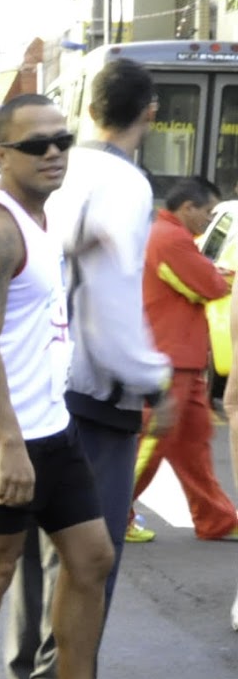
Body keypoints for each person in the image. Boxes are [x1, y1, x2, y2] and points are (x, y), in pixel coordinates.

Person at [0, 93, 163, 679]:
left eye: (61, 140)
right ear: (0, 154)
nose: (53, 153)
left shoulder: (43, 216)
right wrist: (8, 441)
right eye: (35, 144)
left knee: (92, 558)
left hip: (51, 422)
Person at [8, 57, 171, 679]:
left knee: (34, 545)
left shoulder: (57, 171)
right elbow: (111, 297)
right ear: (150, 112)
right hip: (95, 390)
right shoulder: (125, 183)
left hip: (37, 382)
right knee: (89, 552)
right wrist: (152, 375)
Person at [133, 179, 238, 540]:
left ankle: (216, 519)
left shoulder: (170, 236)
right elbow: (209, 285)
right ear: (187, 207)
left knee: (193, 444)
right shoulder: (170, 239)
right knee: (152, 442)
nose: (209, 221)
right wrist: (218, 277)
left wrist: (212, 275)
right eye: (207, 212)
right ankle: (111, 512)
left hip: (183, 358)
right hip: (170, 358)